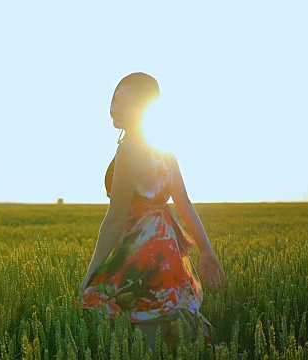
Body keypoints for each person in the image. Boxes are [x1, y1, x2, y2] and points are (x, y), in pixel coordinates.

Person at [79, 72, 226, 352]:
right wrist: (205, 252)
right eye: (113, 100)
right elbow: (185, 205)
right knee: (170, 326)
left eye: (122, 102)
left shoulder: (129, 149)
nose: (113, 107)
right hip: (169, 251)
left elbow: (116, 218)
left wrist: (92, 271)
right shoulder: (165, 150)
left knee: (142, 336)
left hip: (141, 252)